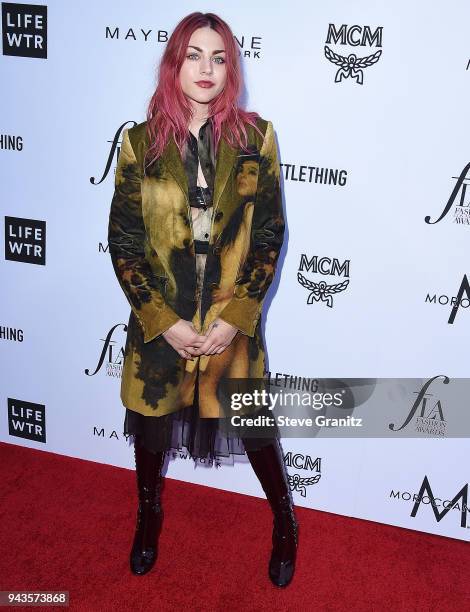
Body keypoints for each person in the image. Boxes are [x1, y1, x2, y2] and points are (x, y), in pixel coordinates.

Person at [107, 11, 298, 588]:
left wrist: (235, 318)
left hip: (229, 330)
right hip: (160, 328)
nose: (207, 68)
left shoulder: (255, 137)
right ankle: (148, 514)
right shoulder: (139, 144)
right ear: (174, 64)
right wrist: (162, 322)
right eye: (194, 55)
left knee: (257, 433)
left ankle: (285, 519)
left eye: (219, 57)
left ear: (230, 67)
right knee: (150, 431)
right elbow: (123, 243)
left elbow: (268, 236)